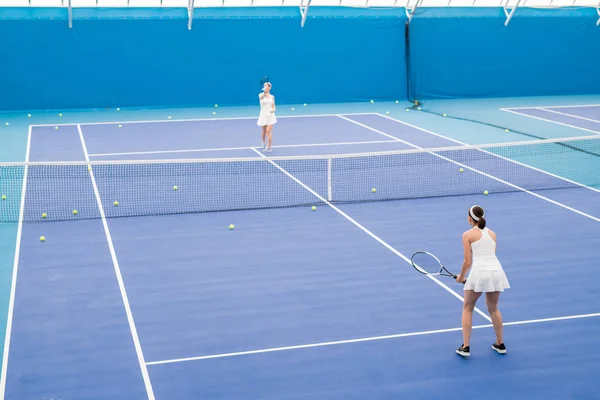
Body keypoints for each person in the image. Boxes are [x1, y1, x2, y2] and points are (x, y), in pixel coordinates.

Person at [455, 205, 510, 357]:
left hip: (480, 273)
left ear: (470, 218)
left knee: (468, 307)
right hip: (496, 272)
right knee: (493, 308)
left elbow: (467, 262)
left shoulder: (467, 235)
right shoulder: (492, 234)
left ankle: (465, 347)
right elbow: (488, 256)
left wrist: (461, 278)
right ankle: (500, 343)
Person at [257, 82, 277, 152]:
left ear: (270, 88)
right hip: (263, 115)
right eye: (266, 86)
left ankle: (269, 147)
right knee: (264, 131)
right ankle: (263, 142)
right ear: (264, 87)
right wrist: (264, 91)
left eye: (268, 86)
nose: (267, 87)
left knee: (268, 131)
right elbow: (261, 97)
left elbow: (273, 106)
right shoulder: (261, 95)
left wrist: (273, 110)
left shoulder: (272, 97)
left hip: (270, 116)